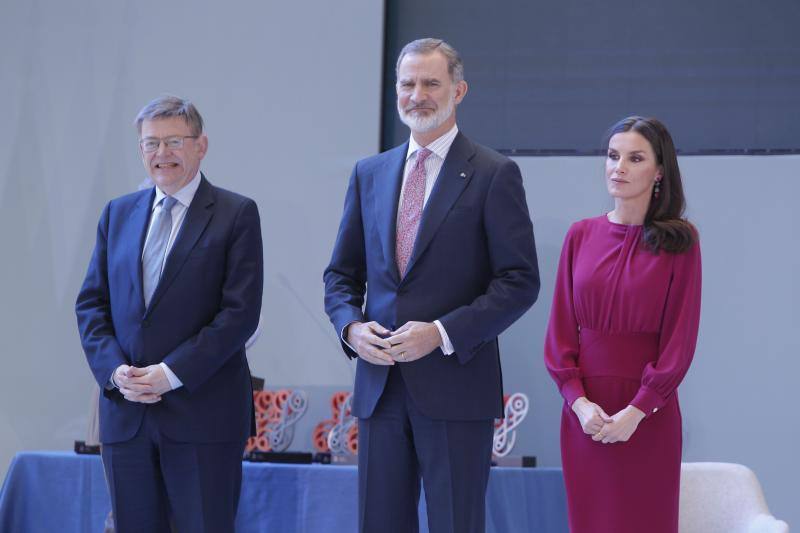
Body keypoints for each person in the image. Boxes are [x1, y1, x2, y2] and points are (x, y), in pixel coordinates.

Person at [324, 38, 540, 533]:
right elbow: (340, 276)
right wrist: (351, 330)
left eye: (430, 83)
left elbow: (519, 280)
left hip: (456, 388)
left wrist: (440, 333)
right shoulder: (369, 173)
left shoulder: (493, 174)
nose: (417, 94)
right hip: (379, 390)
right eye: (407, 83)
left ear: (458, 90)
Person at [76, 95, 263, 532]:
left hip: (203, 417)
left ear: (201, 145)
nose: (162, 154)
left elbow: (239, 314)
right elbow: (91, 305)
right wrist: (114, 371)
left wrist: (170, 373)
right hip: (127, 419)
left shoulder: (237, 214)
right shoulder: (117, 214)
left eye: (174, 141)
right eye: (151, 144)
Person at [544, 116, 701, 533]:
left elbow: (679, 342)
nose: (619, 167)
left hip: (649, 417)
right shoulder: (580, 235)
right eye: (613, 156)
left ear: (659, 171)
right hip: (585, 417)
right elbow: (560, 335)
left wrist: (637, 410)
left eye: (634, 158)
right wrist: (578, 403)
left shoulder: (681, 243)